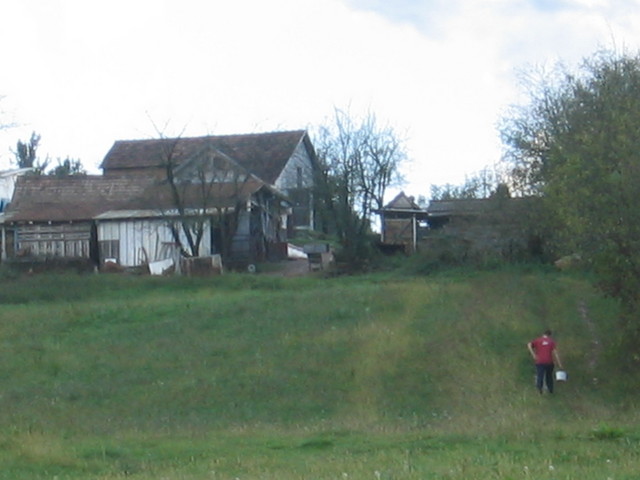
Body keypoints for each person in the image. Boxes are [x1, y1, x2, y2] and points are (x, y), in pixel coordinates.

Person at [527, 329, 563, 394]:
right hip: (549, 362)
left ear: (543, 334)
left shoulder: (538, 340)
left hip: (540, 361)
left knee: (540, 376)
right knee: (549, 376)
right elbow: (555, 353)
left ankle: (539, 390)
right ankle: (550, 390)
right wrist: (559, 363)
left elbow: (529, 345)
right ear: (550, 335)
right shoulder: (551, 342)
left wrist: (534, 355)